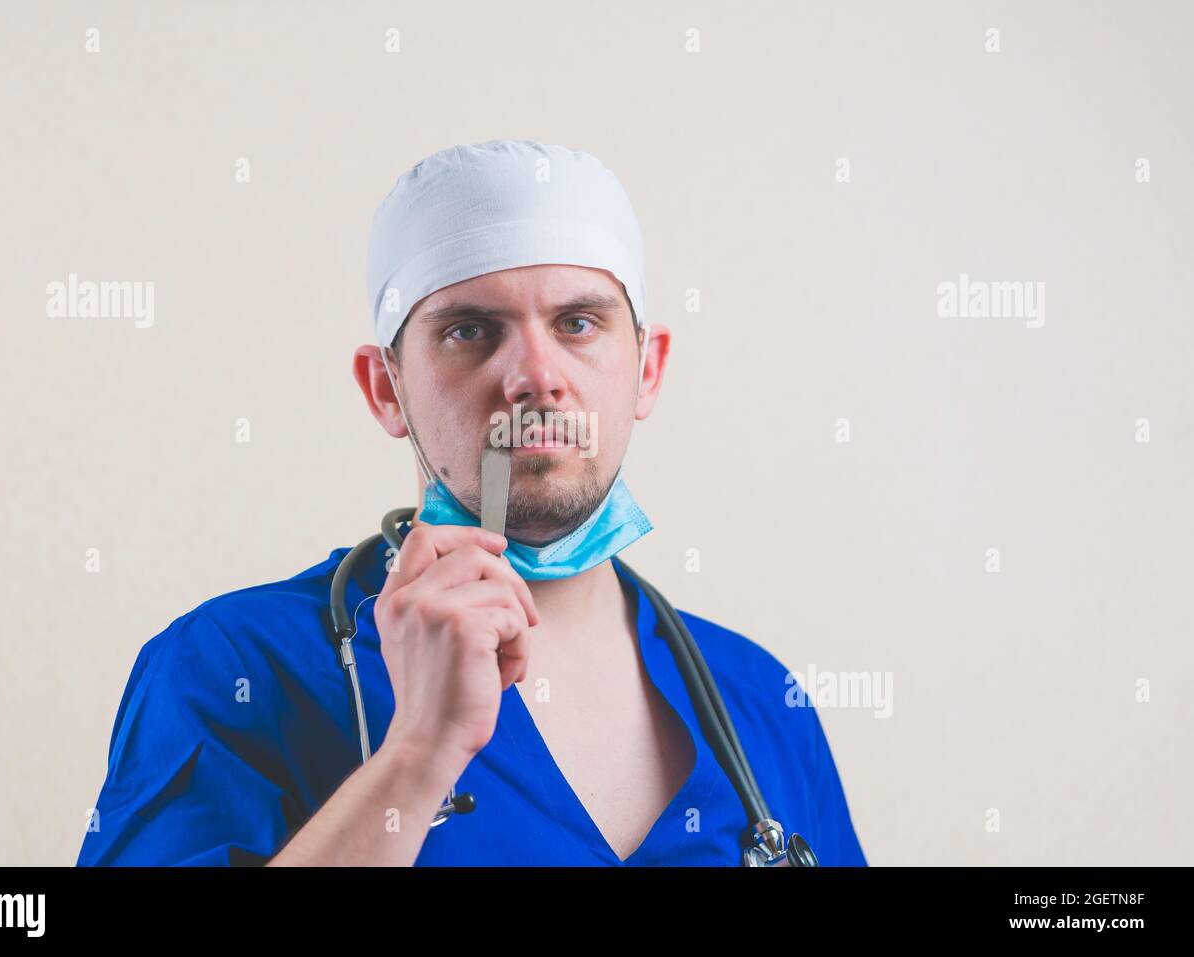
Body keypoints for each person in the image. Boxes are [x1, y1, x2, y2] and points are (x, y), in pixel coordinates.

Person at [76, 139, 868, 867]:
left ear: (648, 370)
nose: (534, 375)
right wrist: (418, 753)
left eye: (579, 323)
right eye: (471, 332)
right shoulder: (236, 668)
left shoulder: (760, 698)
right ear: (386, 388)